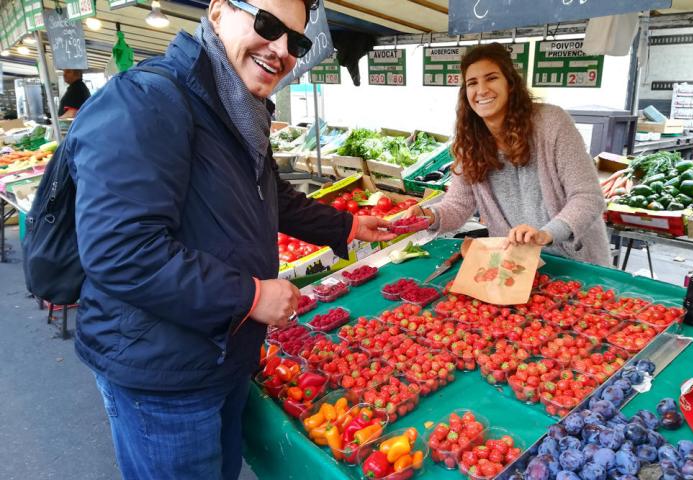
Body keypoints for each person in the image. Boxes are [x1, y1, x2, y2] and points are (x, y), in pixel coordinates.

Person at [64, 0, 394, 478]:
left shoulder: (236, 105)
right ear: (218, 11)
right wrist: (251, 295)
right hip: (163, 372)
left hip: (220, 351)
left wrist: (344, 226)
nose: (281, 49)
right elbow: (121, 251)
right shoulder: (148, 98)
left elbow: (267, 194)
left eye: (296, 41)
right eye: (266, 24)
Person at [409, 43, 610, 266]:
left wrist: (546, 234)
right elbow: (458, 205)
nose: (482, 89)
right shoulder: (470, 141)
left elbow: (588, 197)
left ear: (510, 84)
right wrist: (430, 215)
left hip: (575, 261)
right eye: (472, 83)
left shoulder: (552, 123)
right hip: (517, 262)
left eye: (491, 78)